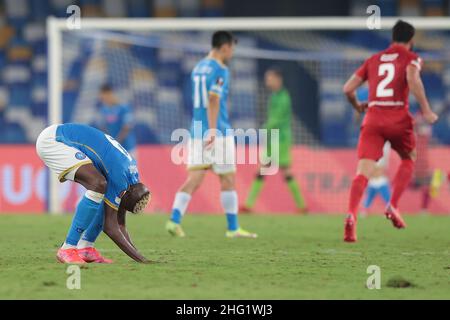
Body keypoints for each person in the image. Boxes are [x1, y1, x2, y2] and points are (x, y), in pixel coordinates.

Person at [342, 20, 438, 242]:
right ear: (411, 41)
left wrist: (358, 106)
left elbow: (347, 88)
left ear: (392, 38)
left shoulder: (373, 59)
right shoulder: (411, 58)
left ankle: (351, 215)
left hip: (373, 117)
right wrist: (426, 110)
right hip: (397, 116)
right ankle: (393, 205)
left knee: (363, 171)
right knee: (410, 157)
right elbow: (413, 80)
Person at [165, 31, 256, 238]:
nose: (232, 52)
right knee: (228, 178)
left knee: (195, 178)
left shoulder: (198, 68)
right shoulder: (220, 70)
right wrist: (213, 130)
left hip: (196, 130)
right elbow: (213, 99)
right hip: (218, 131)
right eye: (232, 48)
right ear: (224, 47)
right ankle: (233, 228)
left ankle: (174, 220)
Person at [36, 123, 150, 263]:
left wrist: (138, 255)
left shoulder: (131, 175)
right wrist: (142, 259)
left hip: (63, 135)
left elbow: (120, 224)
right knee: (98, 184)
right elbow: (111, 227)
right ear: (125, 193)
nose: (120, 205)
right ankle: (67, 249)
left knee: (104, 191)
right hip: (52, 140)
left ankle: (86, 248)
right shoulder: (120, 178)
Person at [241, 67, 307, 213]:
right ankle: (248, 205)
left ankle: (301, 205)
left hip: (281, 139)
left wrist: (263, 129)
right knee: (263, 170)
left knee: (284, 171)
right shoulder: (274, 96)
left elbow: (276, 119)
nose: (267, 81)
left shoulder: (284, 97)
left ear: (278, 79)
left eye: (269, 78)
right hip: (273, 138)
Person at [98, 84, 137, 158]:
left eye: (105, 97)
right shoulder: (103, 110)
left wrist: (116, 142)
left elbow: (127, 127)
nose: (104, 100)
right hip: (114, 148)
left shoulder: (124, 108)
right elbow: (103, 128)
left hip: (128, 148)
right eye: (102, 98)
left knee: (131, 169)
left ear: (110, 94)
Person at [360, 142, 391, 217]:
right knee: (368, 199)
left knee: (387, 198)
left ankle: (389, 212)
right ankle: (364, 211)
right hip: (372, 182)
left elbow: (381, 168)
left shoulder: (383, 157)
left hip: (381, 181)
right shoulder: (371, 156)